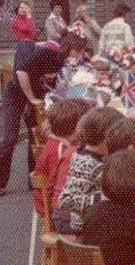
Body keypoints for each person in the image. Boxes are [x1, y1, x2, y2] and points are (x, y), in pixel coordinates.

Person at [0, 34, 88, 197]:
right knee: (10, 138)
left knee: (36, 137)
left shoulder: (63, 63)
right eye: (78, 51)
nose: (79, 55)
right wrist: (31, 99)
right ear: (70, 47)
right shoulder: (46, 53)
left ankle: (34, 180)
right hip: (15, 95)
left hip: (35, 96)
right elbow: (21, 72)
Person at [56, 107, 123, 233]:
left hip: (97, 220)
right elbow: (65, 200)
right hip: (86, 225)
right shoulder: (86, 162)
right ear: (106, 138)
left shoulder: (97, 156)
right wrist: (103, 199)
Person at [30, 98, 92, 231]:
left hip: (52, 205)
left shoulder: (59, 145)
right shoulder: (60, 151)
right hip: (53, 210)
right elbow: (60, 188)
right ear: (76, 127)